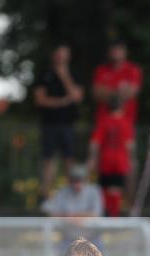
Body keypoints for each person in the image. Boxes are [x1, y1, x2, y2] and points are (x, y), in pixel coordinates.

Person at [35, 44, 83, 198]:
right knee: (48, 160)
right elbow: (40, 99)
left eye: (65, 54)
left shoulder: (73, 74)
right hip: (49, 124)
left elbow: (76, 96)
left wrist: (64, 76)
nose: (62, 58)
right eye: (59, 54)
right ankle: (46, 196)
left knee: (69, 159)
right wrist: (61, 102)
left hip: (68, 124)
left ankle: (72, 196)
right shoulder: (45, 74)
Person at [88, 97, 134, 216]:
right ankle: (114, 215)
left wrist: (92, 158)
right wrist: (131, 160)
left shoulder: (103, 121)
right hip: (120, 160)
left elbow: (94, 143)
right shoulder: (125, 122)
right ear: (122, 108)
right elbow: (129, 145)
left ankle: (105, 213)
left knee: (104, 188)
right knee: (116, 188)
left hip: (105, 160)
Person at [92, 41, 142, 126]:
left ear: (125, 52)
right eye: (114, 49)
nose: (116, 52)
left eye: (119, 49)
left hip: (126, 121)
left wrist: (106, 92)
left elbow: (132, 93)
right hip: (103, 121)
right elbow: (96, 93)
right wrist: (120, 92)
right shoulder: (101, 70)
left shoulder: (133, 70)